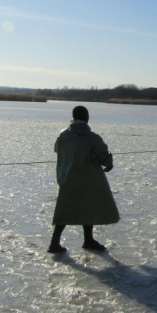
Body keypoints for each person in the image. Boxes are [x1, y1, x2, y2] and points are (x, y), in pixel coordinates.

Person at [48, 106, 120, 253]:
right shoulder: (92, 138)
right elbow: (103, 156)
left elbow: (57, 149)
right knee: (88, 207)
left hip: (67, 179)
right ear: (87, 118)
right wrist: (109, 163)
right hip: (89, 180)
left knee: (65, 210)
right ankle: (87, 240)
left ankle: (56, 242)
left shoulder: (63, 135)